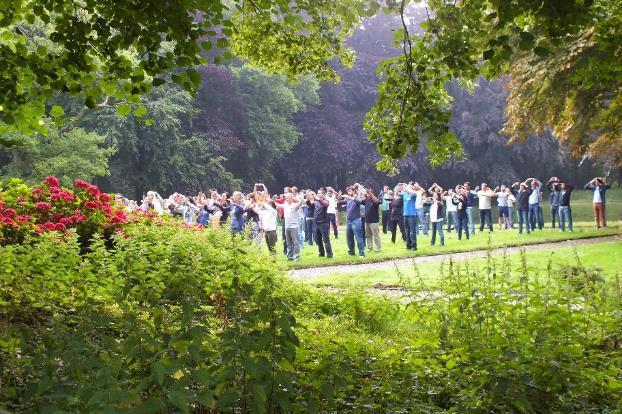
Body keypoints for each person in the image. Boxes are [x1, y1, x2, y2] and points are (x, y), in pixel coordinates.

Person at [341, 186, 365, 257]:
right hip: (349, 221)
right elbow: (340, 202)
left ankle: (361, 254)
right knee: (349, 238)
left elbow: (360, 202)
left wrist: (350, 197)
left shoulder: (357, 197)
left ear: (354, 191)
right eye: (348, 191)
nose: (348, 193)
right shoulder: (348, 200)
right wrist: (338, 196)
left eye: (350, 191)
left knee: (358, 238)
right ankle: (351, 253)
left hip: (356, 221)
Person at [311, 189, 333, 259]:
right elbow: (310, 204)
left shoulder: (326, 201)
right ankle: (321, 254)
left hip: (323, 223)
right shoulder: (316, 201)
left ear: (323, 194)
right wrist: (309, 198)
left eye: (320, 193)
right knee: (318, 240)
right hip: (317, 223)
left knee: (326, 240)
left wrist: (318, 199)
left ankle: (329, 255)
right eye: (318, 193)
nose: (318, 194)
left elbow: (326, 204)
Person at [282, 193, 303, 261]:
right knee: (288, 243)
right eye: (286, 198)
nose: (286, 199)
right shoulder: (285, 205)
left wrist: (301, 198)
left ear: (291, 198)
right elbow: (278, 205)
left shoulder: (294, 205)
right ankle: (290, 257)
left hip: (294, 226)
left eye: (287, 198)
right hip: (287, 227)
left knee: (295, 242)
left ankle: (297, 257)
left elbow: (300, 203)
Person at [363, 188, 382, 252]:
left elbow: (378, 202)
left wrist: (371, 195)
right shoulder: (366, 200)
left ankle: (378, 248)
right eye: (368, 194)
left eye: (369, 194)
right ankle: (369, 247)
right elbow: (359, 201)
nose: (368, 195)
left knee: (376, 235)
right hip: (367, 221)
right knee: (368, 235)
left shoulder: (375, 201)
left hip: (374, 221)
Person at [402, 183, 418, 251]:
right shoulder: (404, 194)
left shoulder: (413, 194)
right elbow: (396, 193)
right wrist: (401, 186)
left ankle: (414, 246)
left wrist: (408, 188)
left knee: (412, 231)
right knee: (407, 231)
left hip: (412, 214)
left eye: (408, 187)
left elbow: (415, 193)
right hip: (405, 214)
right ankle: (408, 246)